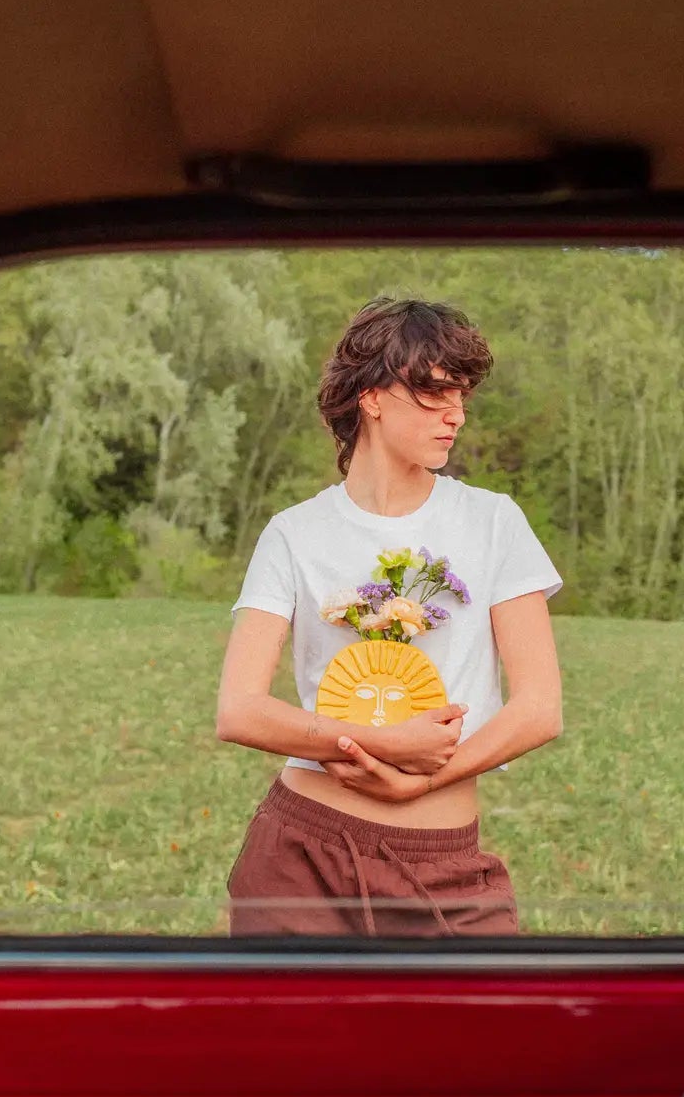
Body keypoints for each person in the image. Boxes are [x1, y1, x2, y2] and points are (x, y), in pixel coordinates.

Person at [217, 295, 563, 936]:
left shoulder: (494, 522)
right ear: (372, 396)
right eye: (434, 393)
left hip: (445, 870)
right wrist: (384, 744)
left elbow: (540, 710)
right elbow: (239, 710)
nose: (456, 414)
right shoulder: (294, 533)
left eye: (462, 394)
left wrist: (422, 781)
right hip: (299, 862)